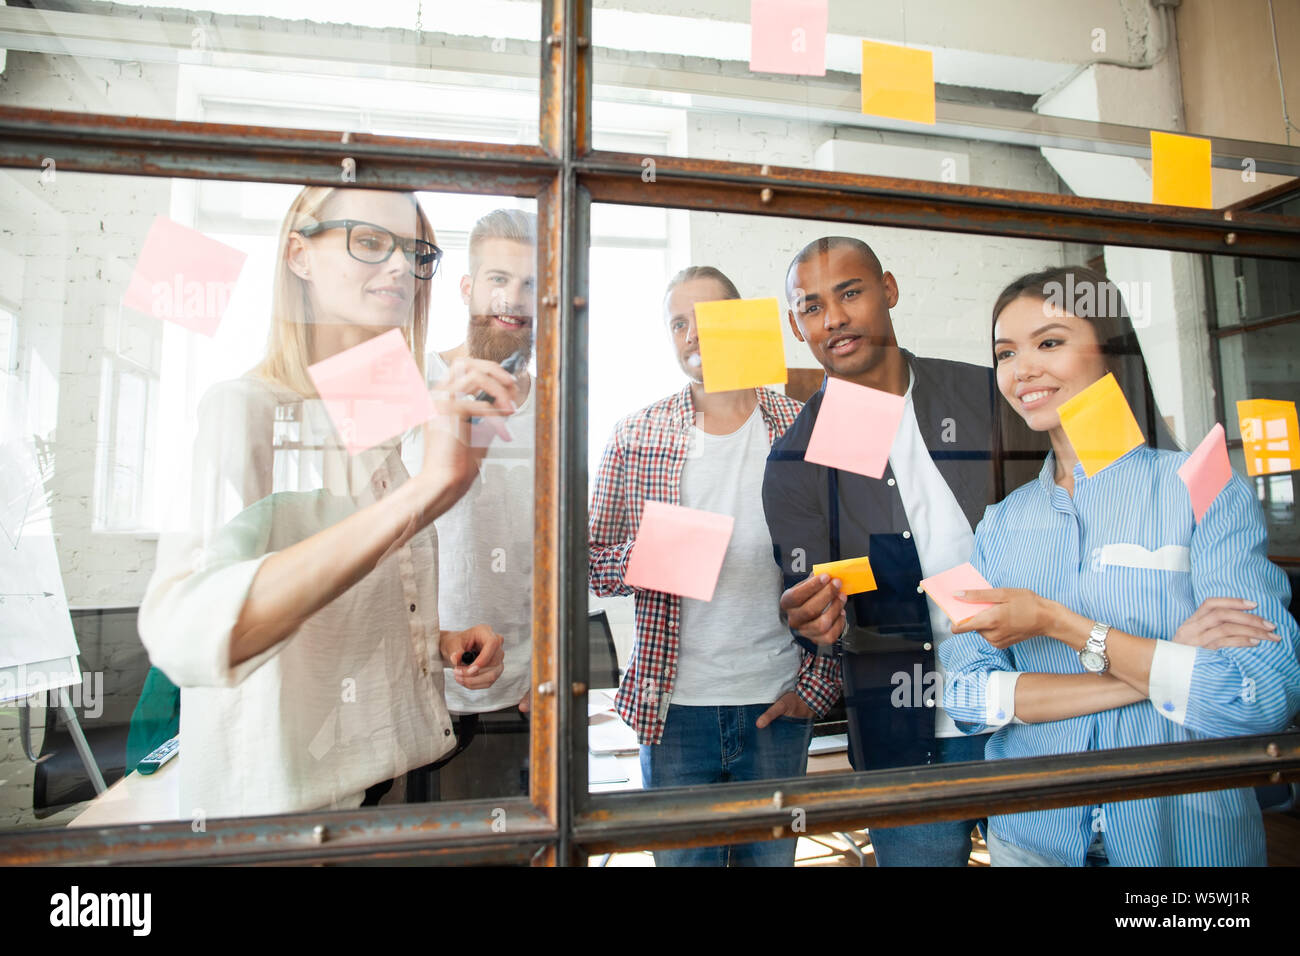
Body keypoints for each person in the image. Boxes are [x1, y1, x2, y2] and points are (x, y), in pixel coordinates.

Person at [138, 186, 518, 819]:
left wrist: (437, 640)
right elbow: (187, 632)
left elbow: (337, 598)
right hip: (278, 813)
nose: (400, 267)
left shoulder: (376, 414)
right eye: (369, 242)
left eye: (415, 253)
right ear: (299, 255)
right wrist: (427, 492)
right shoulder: (246, 411)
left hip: (371, 784)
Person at [940, 265, 1300, 866]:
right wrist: (1160, 662)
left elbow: (1256, 696)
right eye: (1005, 353)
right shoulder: (999, 523)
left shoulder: (1203, 486)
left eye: (1049, 342)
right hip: (1031, 843)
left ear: (1112, 352)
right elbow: (968, 696)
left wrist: (1058, 623)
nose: (1022, 369)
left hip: (1183, 844)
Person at [589, 266, 840, 867]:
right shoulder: (635, 435)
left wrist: (816, 689)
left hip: (776, 703)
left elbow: (850, 565)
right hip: (674, 709)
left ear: (742, 319)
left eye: (705, 318)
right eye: (678, 324)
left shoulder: (807, 428)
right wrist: (650, 556)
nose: (692, 335)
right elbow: (594, 566)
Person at [762, 236, 997, 866]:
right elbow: (812, 598)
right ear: (797, 326)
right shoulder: (796, 458)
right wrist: (813, 620)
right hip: (905, 737)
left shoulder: (986, 395)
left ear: (888, 290)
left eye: (850, 293)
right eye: (812, 307)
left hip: (1031, 711)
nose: (834, 318)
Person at [414, 208, 537, 799]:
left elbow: (563, 550)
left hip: (524, 693)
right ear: (466, 288)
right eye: (498, 279)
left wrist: (554, 660)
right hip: (420, 686)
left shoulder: (561, 404)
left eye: (530, 283)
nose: (512, 299)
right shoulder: (413, 381)